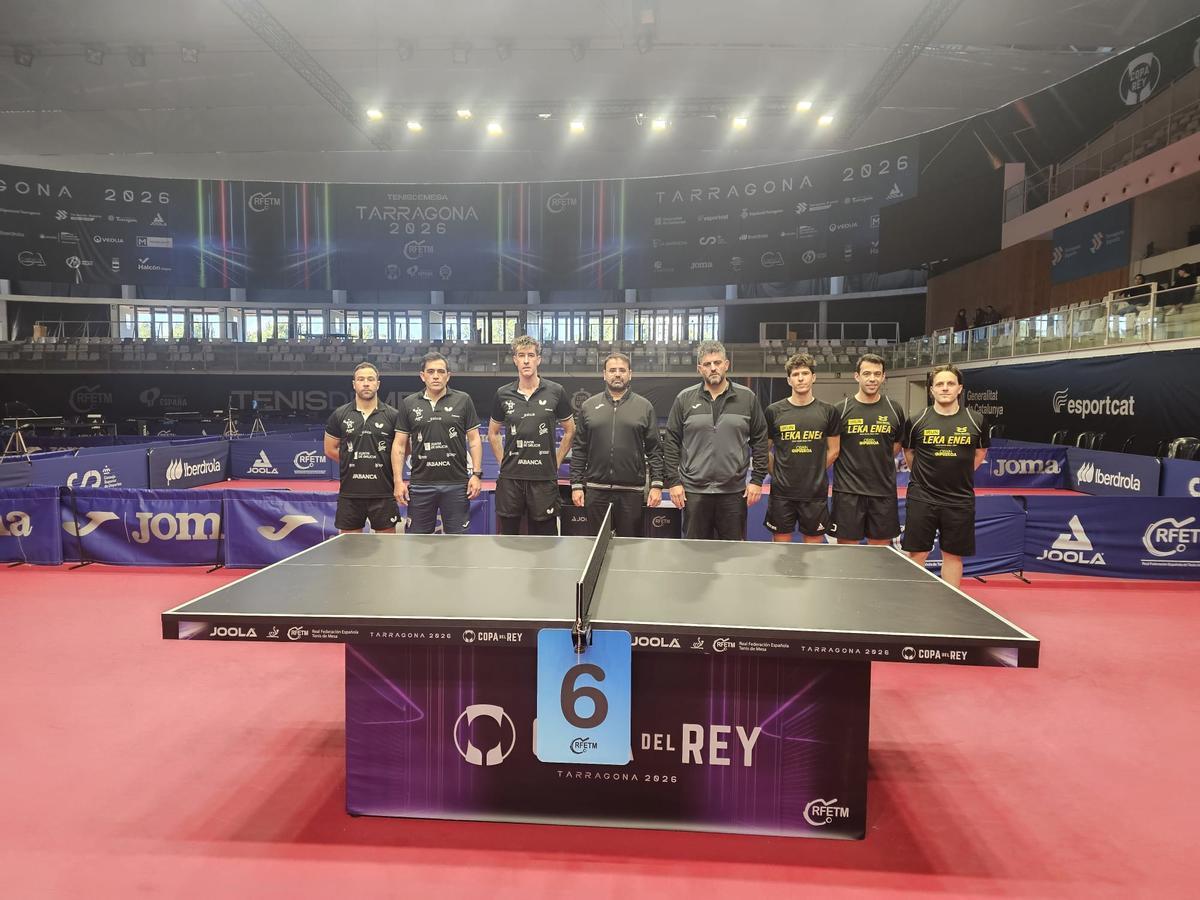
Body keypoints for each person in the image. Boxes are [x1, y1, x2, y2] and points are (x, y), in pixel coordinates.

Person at [663, 340, 768, 541]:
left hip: (734, 492)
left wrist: (756, 480)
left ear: (726, 365)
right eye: (708, 364)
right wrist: (674, 482)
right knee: (695, 553)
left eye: (717, 363)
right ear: (700, 368)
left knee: (733, 553)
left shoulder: (747, 397)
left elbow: (760, 440)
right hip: (694, 492)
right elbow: (671, 442)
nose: (713, 368)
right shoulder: (684, 398)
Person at [902, 364, 989, 588]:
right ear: (931, 389)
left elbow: (979, 453)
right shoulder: (916, 420)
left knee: (952, 555)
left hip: (959, 498)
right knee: (917, 553)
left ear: (960, 388)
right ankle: (915, 603)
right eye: (939, 384)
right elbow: (909, 453)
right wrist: (924, 477)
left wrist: (960, 474)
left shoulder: (976, 420)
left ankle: (951, 602)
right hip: (922, 497)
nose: (944, 388)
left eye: (950, 383)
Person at [487, 336, 575, 535]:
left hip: (544, 479)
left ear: (538, 359)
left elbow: (570, 430)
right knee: (508, 538)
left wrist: (556, 461)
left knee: (545, 538)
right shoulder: (502, 393)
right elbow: (493, 433)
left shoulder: (556, 391)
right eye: (521, 356)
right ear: (515, 360)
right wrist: (503, 463)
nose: (526, 361)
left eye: (530, 355)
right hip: (511, 479)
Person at [570, 352, 664, 536]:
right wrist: (576, 485)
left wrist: (656, 484)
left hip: (632, 492)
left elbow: (654, 449)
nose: (617, 374)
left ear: (630, 374)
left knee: (628, 550)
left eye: (622, 370)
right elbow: (579, 449)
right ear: (604, 374)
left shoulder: (644, 407)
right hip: (596, 491)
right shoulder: (589, 406)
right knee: (597, 548)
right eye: (612, 370)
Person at [392, 352, 483, 535]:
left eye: (441, 371)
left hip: (456, 484)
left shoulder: (463, 400)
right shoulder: (409, 403)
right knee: (417, 543)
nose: (436, 376)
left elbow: (474, 439)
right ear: (422, 375)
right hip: (420, 485)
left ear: (448, 376)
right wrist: (398, 481)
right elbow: (399, 445)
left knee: (458, 543)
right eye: (431, 371)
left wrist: (476, 474)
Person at [829, 354, 906, 546]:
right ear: (857, 376)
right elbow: (832, 448)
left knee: (879, 558)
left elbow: (896, 445)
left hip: (883, 492)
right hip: (848, 493)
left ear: (883, 377)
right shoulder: (840, 409)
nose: (872, 378)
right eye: (867, 373)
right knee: (847, 556)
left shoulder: (894, 408)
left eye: (877, 374)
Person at [763, 353, 840, 543]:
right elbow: (763, 449)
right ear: (789, 380)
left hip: (814, 493)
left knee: (813, 553)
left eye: (805, 373)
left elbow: (834, 450)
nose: (800, 378)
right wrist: (777, 473)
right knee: (781, 552)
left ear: (813, 377)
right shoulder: (773, 411)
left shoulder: (828, 411)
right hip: (782, 494)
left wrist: (813, 471)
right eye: (796, 374)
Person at [323, 361, 401, 534]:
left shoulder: (393, 415)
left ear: (378, 384)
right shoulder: (339, 414)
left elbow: (403, 449)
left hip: (384, 492)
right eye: (361, 379)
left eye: (370, 379)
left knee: (388, 551)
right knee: (350, 551)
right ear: (354, 384)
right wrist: (352, 461)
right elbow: (329, 449)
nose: (366, 383)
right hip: (350, 494)